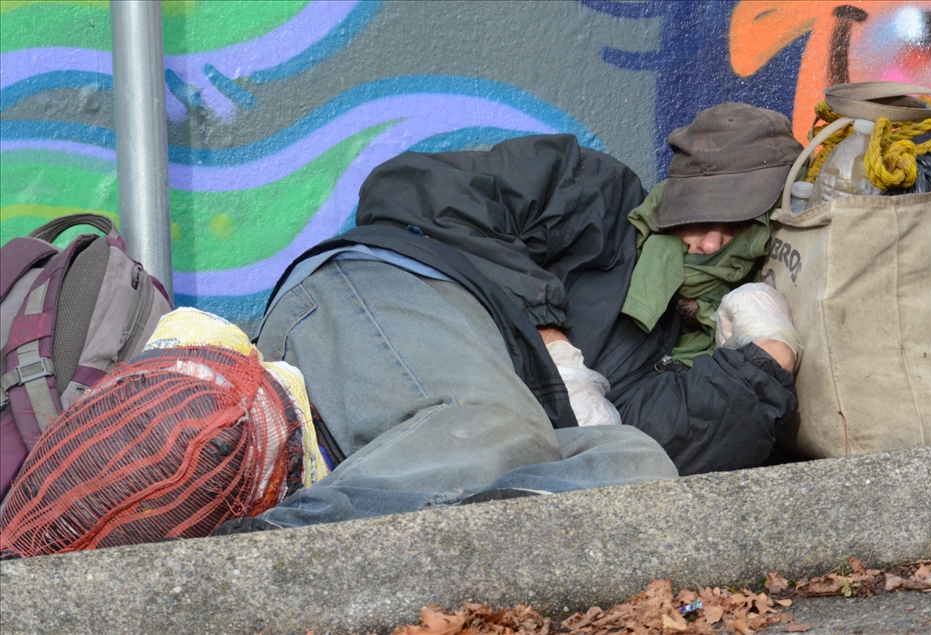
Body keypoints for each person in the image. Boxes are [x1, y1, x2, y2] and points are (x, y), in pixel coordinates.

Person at [220, 102, 804, 531]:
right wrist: (550, 336)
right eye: (696, 217)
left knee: (635, 467)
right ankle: (270, 548)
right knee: (497, 428)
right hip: (393, 288)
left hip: (433, 426)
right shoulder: (601, 197)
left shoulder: (689, 353)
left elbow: (671, 447)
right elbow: (410, 190)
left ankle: (321, 524)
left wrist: (764, 358)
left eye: (731, 226)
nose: (705, 240)